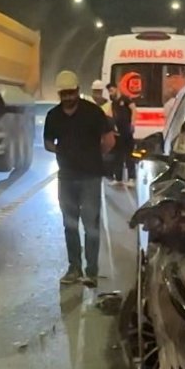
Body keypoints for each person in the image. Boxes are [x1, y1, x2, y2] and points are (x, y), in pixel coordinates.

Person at [44, 70, 115, 287]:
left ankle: (91, 271)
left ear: (77, 91)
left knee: (91, 224)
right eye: (63, 94)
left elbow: (109, 140)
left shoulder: (93, 113)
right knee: (70, 225)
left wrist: (92, 157)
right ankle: (74, 268)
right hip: (66, 178)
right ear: (59, 94)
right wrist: (63, 152)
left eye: (70, 93)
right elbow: (48, 142)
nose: (67, 98)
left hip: (90, 177)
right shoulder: (53, 116)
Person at [106, 82, 137, 186]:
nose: (110, 93)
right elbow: (110, 115)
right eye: (109, 91)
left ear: (116, 89)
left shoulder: (126, 99)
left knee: (129, 155)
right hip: (117, 133)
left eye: (111, 90)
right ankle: (118, 178)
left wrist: (132, 124)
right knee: (118, 156)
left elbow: (134, 110)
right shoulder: (113, 103)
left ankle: (132, 178)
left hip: (127, 131)